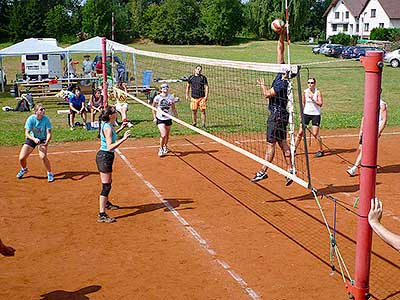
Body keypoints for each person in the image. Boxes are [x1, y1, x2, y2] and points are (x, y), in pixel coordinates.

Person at [251, 29, 293, 186]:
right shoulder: (280, 74)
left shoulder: (283, 82)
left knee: (271, 144)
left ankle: (263, 171)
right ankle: (290, 169)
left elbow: (268, 94)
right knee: (283, 142)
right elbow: (280, 49)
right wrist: (281, 34)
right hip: (282, 115)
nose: (281, 65)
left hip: (276, 115)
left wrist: (262, 86)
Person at [96, 106, 131, 223]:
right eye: (115, 112)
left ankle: (106, 203)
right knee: (106, 186)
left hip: (107, 157)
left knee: (108, 183)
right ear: (111, 115)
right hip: (105, 157)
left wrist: (121, 129)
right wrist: (124, 139)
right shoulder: (108, 128)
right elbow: (110, 145)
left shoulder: (108, 125)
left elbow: (111, 135)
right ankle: (102, 214)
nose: (117, 113)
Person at [346, 98, 387, 176]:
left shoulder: (382, 104)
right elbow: (364, 117)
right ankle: (363, 165)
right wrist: (361, 130)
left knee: (364, 149)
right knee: (361, 148)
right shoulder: (369, 102)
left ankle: (354, 168)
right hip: (366, 129)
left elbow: (384, 119)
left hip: (374, 130)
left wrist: (379, 131)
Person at [16, 103, 54, 182]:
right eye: (41, 109)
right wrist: (34, 139)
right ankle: (24, 169)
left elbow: (49, 133)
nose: (43, 110)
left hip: (42, 139)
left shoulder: (46, 119)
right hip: (32, 138)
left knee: (43, 156)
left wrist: (47, 141)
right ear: (36, 111)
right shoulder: (31, 119)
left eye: (44, 109)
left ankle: (50, 173)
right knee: (21, 158)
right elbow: (26, 133)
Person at [294, 77, 324, 157]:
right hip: (306, 114)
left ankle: (320, 150)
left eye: (312, 83)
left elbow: (320, 104)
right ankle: (293, 150)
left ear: (315, 84)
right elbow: (303, 103)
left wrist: (313, 99)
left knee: (315, 133)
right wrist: (301, 113)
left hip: (315, 114)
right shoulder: (305, 92)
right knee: (300, 132)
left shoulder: (318, 92)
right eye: (309, 83)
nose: (310, 84)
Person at [152, 83, 179, 157]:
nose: (165, 88)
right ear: (161, 89)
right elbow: (153, 107)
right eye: (164, 87)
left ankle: (165, 146)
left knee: (167, 135)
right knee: (163, 135)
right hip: (160, 118)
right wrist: (154, 117)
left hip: (168, 118)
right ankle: (160, 148)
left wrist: (176, 117)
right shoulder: (157, 97)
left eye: (167, 87)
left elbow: (173, 108)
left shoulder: (171, 97)